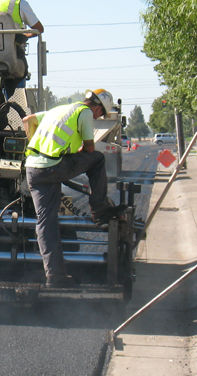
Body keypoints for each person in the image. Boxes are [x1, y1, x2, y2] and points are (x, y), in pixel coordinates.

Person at [22, 89, 126, 287]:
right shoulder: (84, 112)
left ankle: (55, 277)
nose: (98, 117)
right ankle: (99, 210)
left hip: (33, 169)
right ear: (97, 108)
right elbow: (89, 149)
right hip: (53, 167)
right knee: (97, 160)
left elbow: (28, 119)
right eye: (100, 114)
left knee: (45, 223)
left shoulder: (59, 110)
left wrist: (38, 148)